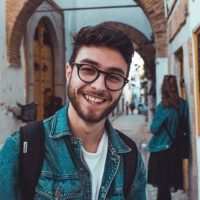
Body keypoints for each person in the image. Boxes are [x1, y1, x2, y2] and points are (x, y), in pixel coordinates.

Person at [0, 23, 146, 199]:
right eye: (88, 70)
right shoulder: (21, 148)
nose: (98, 86)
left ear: (123, 85)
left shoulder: (130, 158)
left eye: (113, 77)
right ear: (69, 72)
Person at [147, 75, 189, 200]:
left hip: (161, 151)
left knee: (162, 187)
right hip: (175, 150)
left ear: (163, 89)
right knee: (166, 187)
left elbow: (154, 128)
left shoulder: (163, 107)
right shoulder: (183, 104)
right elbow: (185, 126)